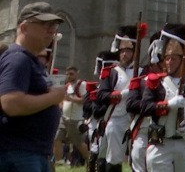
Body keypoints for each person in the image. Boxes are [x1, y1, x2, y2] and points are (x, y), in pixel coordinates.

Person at [0, 2, 67, 171]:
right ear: (24, 28)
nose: (52, 30)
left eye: (53, 25)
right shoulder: (18, 59)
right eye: (44, 25)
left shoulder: (30, 60)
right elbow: (11, 104)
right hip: (19, 153)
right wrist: (53, 97)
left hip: (32, 152)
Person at [142, 22, 185, 172]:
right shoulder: (156, 81)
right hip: (161, 143)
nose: (168, 62)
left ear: (184, 59)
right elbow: (145, 107)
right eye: (167, 58)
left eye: (173, 58)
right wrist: (168, 105)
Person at [95, 24, 140, 172]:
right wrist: (121, 95)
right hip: (116, 118)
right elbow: (101, 95)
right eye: (122, 51)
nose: (125, 54)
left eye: (128, 50)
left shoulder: (142, 71)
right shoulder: (111, 72)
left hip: (138, 119)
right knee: (113, 161)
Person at [127, 29, 161, 172]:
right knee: (138, 155)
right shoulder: (141, 81)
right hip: (143, 129)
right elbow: (131, 104)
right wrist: (155, 106)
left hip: (168, 134)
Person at [54, 66, 90, 166]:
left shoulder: (82, 84)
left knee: (78, 143)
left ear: (77, 73)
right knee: (56, 138)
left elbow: (84, 100)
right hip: (64, 118)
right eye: (67, 74)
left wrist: (70, 99)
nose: (69, 76)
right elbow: (64, 100)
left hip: (75, 119)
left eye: (71, 74)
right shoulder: (67, 86)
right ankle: (59, 161)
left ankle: (90, 160)